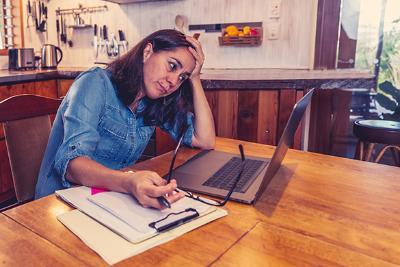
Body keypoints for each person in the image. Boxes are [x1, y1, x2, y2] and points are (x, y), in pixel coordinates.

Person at [35, 29, 215, 209]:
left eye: (183, 77)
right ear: (147, 52)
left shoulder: (154, 102)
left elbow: (204, 139)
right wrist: (129, 181)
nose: (174, 81)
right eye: (172, 66)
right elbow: (72, 166)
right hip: (57, 206)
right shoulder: (95, 83)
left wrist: (195, 78)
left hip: (107, 199)